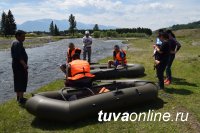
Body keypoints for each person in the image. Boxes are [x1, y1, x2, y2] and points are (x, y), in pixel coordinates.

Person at [11, 30, 28, 104]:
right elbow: (19, 56)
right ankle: (21, 99)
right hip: (19, 66)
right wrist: (24, 65)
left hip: (17, 65)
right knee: (21, 80)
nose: (24, 38)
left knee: (18, 80)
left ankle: (18, 97)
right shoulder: (17, 43)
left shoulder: (16, 43)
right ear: (18, 36)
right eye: (23, 36)